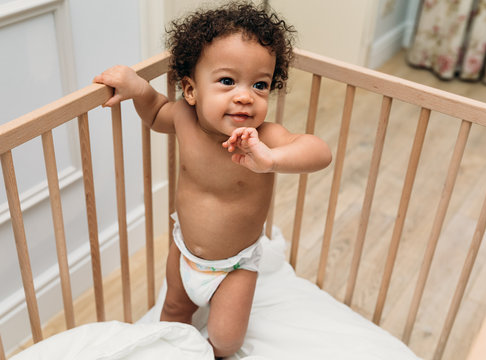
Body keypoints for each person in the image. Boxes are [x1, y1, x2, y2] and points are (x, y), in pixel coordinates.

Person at [94, 2, 332, 357]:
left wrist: (271, 160)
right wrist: (139, 89)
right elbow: (156, 111)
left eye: (260, 84)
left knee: (227, 339)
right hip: (184, 248)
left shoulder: (264, 136)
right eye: (227, 81)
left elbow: (319, 151)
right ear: (190, 90)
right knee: (174, 312)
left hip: (235, 265)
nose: (244, 95)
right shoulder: (183, 118)